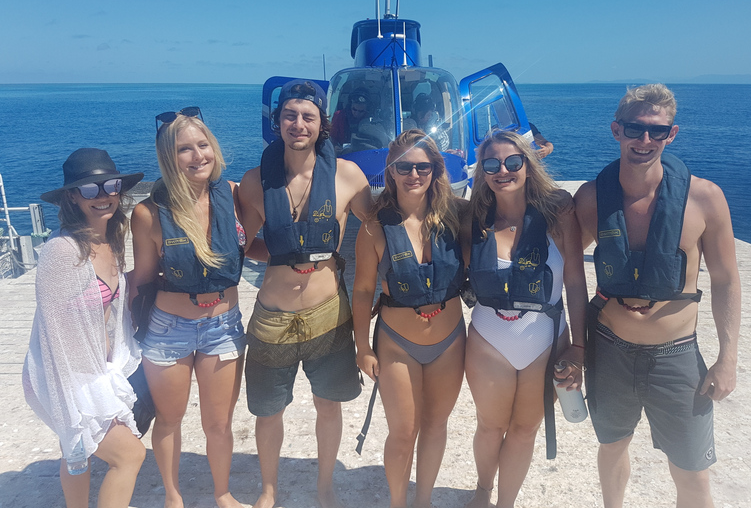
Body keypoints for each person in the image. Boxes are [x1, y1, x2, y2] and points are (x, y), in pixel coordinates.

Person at [574, 84, 741, 508]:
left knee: (691, 469)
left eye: (657, 131)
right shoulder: (592, 199)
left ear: (672, 135)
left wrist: (727, 358)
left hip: (677, 355)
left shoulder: (705, 199)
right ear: (616, 130)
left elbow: (725, 280)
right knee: (612, 445)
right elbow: (562, 263)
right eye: (634, 129)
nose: (644, 140)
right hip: (610, 350)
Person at [237, 79, 373, 508]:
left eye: (308, 117)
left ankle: (325, 486)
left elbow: (381, 231)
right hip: (273, 317)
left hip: (328, 314)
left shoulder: (348, 176)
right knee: (267, 410)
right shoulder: (254, 182)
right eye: (290, 116)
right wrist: (284, 256)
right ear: (277, 122)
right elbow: (240, 244)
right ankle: (269, 489)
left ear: (322, 124)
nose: (298, 124)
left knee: (329, 405)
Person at [461, 131, 587, 508]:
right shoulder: (472, 219)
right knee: (490, 425)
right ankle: (483, 490)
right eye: (491, 164)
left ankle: (506, 503)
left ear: (529, 166)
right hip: (488, 340)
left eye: (513, 162)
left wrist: (579, 346)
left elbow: (577, 281)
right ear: (481, 172)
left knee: (524, 428)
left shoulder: (558, 211)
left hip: (545, 341)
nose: (503, 170)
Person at [130, 107, 246, 508]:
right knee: (169, 419)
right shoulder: (148, 214)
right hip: (169, 329)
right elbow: (142, 280)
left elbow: (264, 236)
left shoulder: (232, 194)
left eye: (203, 144)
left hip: (223, 326)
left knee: (218, 423)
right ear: (168, 157)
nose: (198, 155)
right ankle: (173, 497)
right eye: (185, 149)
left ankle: (222, 493)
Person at [23, 148, 146, 508]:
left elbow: (113, 299)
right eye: (90, 189)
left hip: (94, 369)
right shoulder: (61, 252)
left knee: (76, 455)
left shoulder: (111, 239)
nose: (103, 195)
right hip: (64, 376)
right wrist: (68, 409)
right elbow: (52, 336)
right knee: (129, 455)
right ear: (72, 197)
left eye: (110, 186)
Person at [353, 129, 466, 508]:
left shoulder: (456, 217)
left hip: (449, 341)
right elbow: (363, 290)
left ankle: (424, 501)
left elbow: (507, 210)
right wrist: (362, 347)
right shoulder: (373, 226)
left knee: (435, 426)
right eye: (404, 166)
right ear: (391, 170)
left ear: (436, 170)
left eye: (423, 166)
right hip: (397, 343)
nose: (413, 175)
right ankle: (398, 503)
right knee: (403, 431)